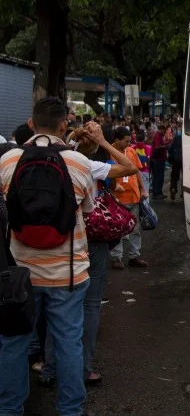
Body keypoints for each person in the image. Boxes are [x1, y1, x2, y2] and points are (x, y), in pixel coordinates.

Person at [0, 97, 95, 416]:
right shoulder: (80, 163)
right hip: (67, 275)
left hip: (18, 275)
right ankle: (70, 410)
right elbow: (86, 210)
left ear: (31, 123)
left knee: (13, 343)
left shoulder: (8, 160)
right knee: (68, 342)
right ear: (64, 124)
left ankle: (10, 409)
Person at [41, 122, 139, 386]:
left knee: (57, 307)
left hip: (56, 238)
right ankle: (83, 369)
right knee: (90, 304)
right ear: (95, 145)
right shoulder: (87, 164)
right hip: (89, 241)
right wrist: (105, 142)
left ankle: (50, 368)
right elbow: (131, 167)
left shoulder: (53, 159)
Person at [109, 127, 149, 269]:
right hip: (117, 199)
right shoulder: (109, 153)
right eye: (126, 141)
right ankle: (116, 257)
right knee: (117, 229)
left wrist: (143, 189)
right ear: (116, 140)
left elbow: (137, 171)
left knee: (135, 229)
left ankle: (134, 256)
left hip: (133, 197)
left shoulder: (131, 151)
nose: (128, 143)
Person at [151, 124, 169, 199]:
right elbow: (158, 146)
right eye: (164, 131)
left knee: (156, 176)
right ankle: (157, 192)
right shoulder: (158, 136)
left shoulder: (159, 136)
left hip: (158, 159)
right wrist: (165, 146)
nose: (165, 133)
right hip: (158, 159)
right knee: (159, 176)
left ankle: (156, 192)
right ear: (161, 129)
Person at [169, 127, 183, 200]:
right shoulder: (189, 138)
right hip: (185, 159)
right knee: (185, 177)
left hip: (176, 159)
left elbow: (171, 149)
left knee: (174, 176)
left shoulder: (177, 138)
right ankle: (184, 192)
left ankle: (173, 188)